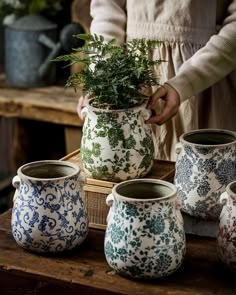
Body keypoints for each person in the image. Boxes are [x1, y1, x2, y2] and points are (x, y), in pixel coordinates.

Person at [77, 0, 236, 161]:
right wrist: (103, 74)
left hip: (205, 81)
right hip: (133, 81)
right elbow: (107, 9)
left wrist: (187, 81)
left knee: (204, 172)